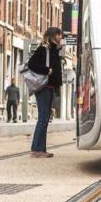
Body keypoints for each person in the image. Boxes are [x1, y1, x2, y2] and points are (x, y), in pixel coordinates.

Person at [27, 26, 63, 158]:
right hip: (43, 88)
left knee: (46, 118)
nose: (61, 37)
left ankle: (40, 149)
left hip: (50, 88)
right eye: (58, 35)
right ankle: (36, 149)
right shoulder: (44, 49)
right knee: (43, 118)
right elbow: (31, 64)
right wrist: (46, 70)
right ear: (52, 35)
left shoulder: (54, 50)